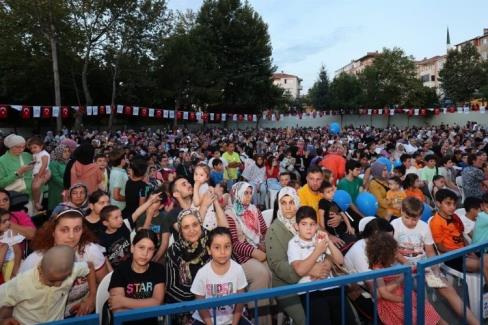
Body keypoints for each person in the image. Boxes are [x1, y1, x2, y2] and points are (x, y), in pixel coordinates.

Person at [391, 197, 479, 325]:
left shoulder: (424, 226)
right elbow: (394, 251)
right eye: (407, 218)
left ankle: (475, 322)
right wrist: (406, 263)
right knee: (416, 298)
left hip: (423, 266)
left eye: (414, 219)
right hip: (402, 268)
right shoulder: (394, 225)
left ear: (420, 216)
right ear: (401, 212)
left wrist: (436, 270)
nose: (410, 222)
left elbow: (430, 251)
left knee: (447, 289)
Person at [19, 208, 108, 317]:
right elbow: (19, 299)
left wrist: (92, 299)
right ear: (52, 231)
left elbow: (104, 284)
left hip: (84, 313)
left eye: (77, 229)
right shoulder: (35, 261)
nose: (71, 236)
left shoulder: (90, 251)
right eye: (64, 230)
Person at [287, 206, 352, 325]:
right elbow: (300, 270)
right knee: (322, 319)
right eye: (304, 224)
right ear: (296, 226)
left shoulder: (319, 238)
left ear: (317, 226)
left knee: (346, 319)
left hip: (331, 285)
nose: (308, 228)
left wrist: (328, 242)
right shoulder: (294, 243)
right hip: (309, 290)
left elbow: (340, 260)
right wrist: (318, 250)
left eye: (312, 224)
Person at [165, 207, 228, 323]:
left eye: (195, 224)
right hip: (187, 307)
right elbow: (171, 288)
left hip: (219, 299)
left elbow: (227, 269)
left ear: (201, 224)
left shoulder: (213, 242)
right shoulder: (174, 251)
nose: (192, 230)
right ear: (180, 230)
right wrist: (199, 298)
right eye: (186, 227)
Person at [366, 232, 443, 325]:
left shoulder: (391, 259)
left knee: (430, 311)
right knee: (414, 318)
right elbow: (384, 294)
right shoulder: (377, 269)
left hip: (405, 294)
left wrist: (411, 267)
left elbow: (409, 265)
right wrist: (402, 298)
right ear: (384, 255)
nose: (396, 255)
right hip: (394, 301)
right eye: (394, 253)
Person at [0, 246, 90, 324]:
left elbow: (90, 266)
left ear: (69, 272)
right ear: (40, 269)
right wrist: (2, 320)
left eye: (61, 280)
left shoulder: (68, 270)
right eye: (51, 281)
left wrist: (92, 295)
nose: (57, 284)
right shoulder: (22, 282)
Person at [225, 182, 271, 325]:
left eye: (250, 193)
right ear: (236, 193)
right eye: (245, 193)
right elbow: (234, 243)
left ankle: (276, 316)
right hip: (241, 258)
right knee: (261, 274)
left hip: (260, 250)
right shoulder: (230, 214)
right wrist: (254, 252)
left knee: (273, 270)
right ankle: (260, 320)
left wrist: (266, 242)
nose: (249, 196)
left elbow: (264, 230)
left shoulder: (254, 209)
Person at [191, 227, 250, 325]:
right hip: (206, 321)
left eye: (227, 246)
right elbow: (200, 305)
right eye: (217, 247)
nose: (222, 252)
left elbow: (240, 302)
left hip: (232, 319)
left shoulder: (238, 269)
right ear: (209, 250)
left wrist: (234, 324)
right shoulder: (202, 273)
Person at [107, 229, 165, 325]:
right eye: (141, 247)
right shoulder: (120, 271)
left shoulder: (158, 269)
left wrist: (124, 301)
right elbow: (118, 311)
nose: (145, 254)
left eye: (150, 249)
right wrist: (149, 304)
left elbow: (157, 303)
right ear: (132, 248)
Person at [430, 189, 488, 282]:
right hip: (451, 257)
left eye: (454, 204)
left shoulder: (455, 217)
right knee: (486, 265)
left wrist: (470, 251)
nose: (452, 207)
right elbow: (440, 247)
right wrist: (462, 252)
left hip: (465, 252)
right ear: (438, 203)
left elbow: (462, 236)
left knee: (485, 260)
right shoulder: (436, 222)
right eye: (448, 203)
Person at [0, 134, 34, 214]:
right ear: (10, 147)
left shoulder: (27, 156)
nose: (21, 149)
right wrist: (18, 173)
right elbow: (1, 183)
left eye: (23, 146)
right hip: (14, 198)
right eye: (18, 147)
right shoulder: (2, 160)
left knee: (31, 221)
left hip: (32, 196)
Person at [318, 181, 356, 251]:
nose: (332, 193)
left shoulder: (334, 203)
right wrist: (323, 229)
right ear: (322, 194)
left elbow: (343, 214)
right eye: (328, 192)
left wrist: (349, 226)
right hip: (333, 233)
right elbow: (321, 215)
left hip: (341, 230)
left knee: (353, 241)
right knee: (344, 247)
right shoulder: (322, 202)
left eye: (332, 190)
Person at [27, 136, 51, 211]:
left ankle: (37, 202)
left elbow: (44, 165)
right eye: (31, 148)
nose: (33, 149)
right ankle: (36, 201)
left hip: (41, 173)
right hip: (36, 173)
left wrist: (39, 175)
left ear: (41, 146)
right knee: (35, 187)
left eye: (35, 147)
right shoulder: (36, 154)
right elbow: (36, 163)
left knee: (35, 187)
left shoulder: (44, 154)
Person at [122, 157, 149, 221]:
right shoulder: (145, 187)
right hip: (135, 217)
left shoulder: (129, 182)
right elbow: (141, 206)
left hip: (125, 213)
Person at [0, 209, 22, 282]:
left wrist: (14, 272)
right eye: (4, 221)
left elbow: (18, 253)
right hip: (2, 265)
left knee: (8, 285)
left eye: (8, 219)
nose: (8, 222)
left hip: (11, 264)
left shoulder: (10, 233)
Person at [48, 144, 70, 211]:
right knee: (57, 210)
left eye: (68, 151)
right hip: (57, 190)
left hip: (67, 190)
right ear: (59, 152)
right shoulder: (54, 163)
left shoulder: (68, 162)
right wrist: (69, 186)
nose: (67, 153)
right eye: (65, 151)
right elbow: (56, 178)